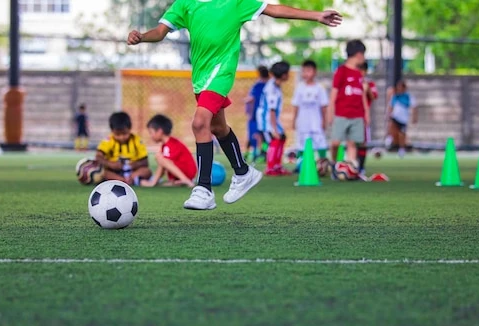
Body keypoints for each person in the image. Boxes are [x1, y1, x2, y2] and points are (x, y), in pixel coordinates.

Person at [128, 1, 342, 210]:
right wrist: (142, 37)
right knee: (217, 128)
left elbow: (274, 10)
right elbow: (160, 31)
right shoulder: (185, 4)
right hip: (201, 78)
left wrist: (316, 16)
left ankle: (204, 189)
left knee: (199, 123)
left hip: (221, 73)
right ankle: (243, 172)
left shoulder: (235, 3)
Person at [327, 39, 369, 174]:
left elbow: (362, 95)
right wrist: (330, 113)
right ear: (358, 55)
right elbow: (333, 94)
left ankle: (350, 169)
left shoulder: (358, 74)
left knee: (352, 143)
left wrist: (366, 113)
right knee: (335, 143)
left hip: (357, 115)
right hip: (341, 114)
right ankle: (334, 164)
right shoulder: (341, 71)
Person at [95, 111, 152, 185]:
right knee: (103, 172)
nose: (121, 137)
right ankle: (122, 180)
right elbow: (98, 157)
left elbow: (145, 162)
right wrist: (110, 164)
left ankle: (131, 179)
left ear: (130, 129)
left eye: (124, 134)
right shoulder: (108, 140)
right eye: (117, 134)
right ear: (112, 131)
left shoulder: (137, 140)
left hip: (133, 172)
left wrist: (134, 164)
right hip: (114, 172)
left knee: (147, 171)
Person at [291, 59, 329, 170]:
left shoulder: (319, 88)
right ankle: (300, 166)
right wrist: (294, 120)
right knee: (302, 142)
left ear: (315, 72)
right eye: (304, 71)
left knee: (320, 141)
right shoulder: (300, 88)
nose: (306, 74)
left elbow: (324, 106)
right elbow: (296, 105)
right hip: (303, 122)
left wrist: (324, 120)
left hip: (316, 122)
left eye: (308, 71)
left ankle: (323, 165)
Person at [141, 114, 197, 188]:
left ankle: (186, 180)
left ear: (160, 131)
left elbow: (164, 162)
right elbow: (164, 166)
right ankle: (178, 181)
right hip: (180, 173)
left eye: (151, 132)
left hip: (187, 172)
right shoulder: (165, 145)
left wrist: (153, 182)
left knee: (161, 158)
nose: (151, 136)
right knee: (161, 160)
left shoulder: (172, 144)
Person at [257, 61, 292, 176]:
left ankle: (277, 165)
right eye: (287, 73)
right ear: (283, 75)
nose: (289, 75)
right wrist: (274, 129)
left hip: (272, 119)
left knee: (282, 138)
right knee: (275, 139)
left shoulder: (276, 85)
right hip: (266, 119)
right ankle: (270, 167)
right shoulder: (272, 89)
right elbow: (271, 110)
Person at [244, 65, 269, 162]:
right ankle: (263, 152)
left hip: (255, 114)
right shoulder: (269, 85)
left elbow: (252, 98)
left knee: (253, 134)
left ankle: (253, 154)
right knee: (264, 134)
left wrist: (246, 100)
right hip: (265, 115)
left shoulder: (258, 85)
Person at [357, 62, 378, 175]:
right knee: (352, 142)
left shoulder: (370, 84)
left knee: (363, 142)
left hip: (363, 117)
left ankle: (361, 167)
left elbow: (373, 96)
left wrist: (366, 89)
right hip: (353, 115)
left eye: (361, 70)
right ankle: (353, 165)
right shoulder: (352, 83)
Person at [387, 80, 417, 158]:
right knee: (391, 126)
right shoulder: (395, 96)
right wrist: (388, 114)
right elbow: (391, 106)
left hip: (403, 119)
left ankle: (401, 149)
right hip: (395, 117)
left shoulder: (408, 97)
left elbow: (414, 107)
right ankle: (389, 138)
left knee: (402, 134)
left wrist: (414, 117)